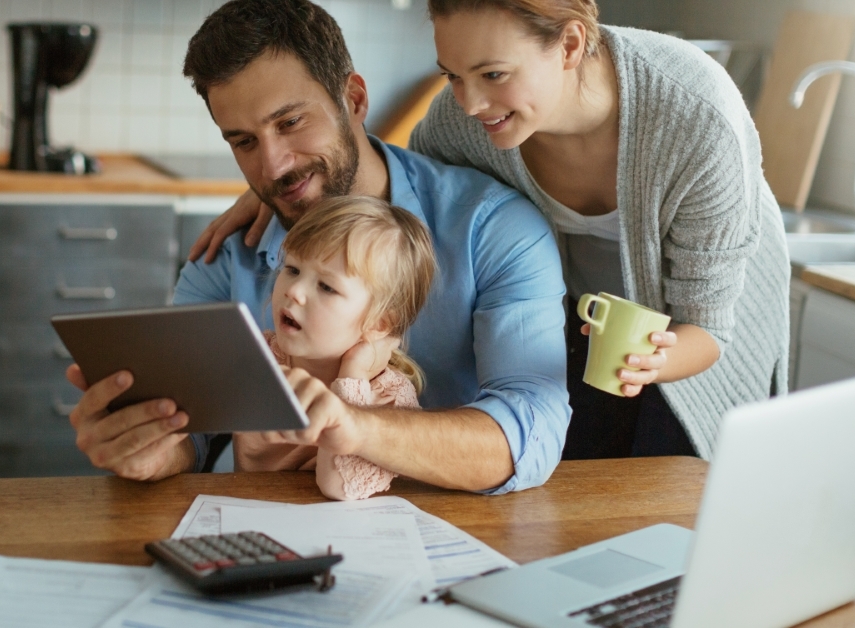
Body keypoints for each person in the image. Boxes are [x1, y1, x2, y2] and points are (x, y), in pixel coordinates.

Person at [194, 0, 791, 461]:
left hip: (698, 325)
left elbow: (710, 326)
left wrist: (649, 362)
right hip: (586, 320)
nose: (472, 101)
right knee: (576, 479)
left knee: (680, 488)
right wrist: (282, 184)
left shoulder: (695, 116)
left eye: (493, 73)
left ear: (570, 43)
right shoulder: (463, 120)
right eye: (452, 75)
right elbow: (397, 191)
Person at [66, 0, 571, 494]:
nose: (274, 167)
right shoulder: (225, 257)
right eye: (243, 141)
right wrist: (152, 450)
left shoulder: (494, 228)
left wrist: (356, 428)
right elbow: (191, 430)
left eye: (290, 123)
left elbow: (532, 430)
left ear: (353, 99)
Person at [244, 195, 437, 501]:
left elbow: (336, 486)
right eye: (292, 269)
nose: (293, 291)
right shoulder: (260, 358)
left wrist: (352, 378)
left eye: (326, 287)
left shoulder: (388, 397)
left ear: (379, 323)